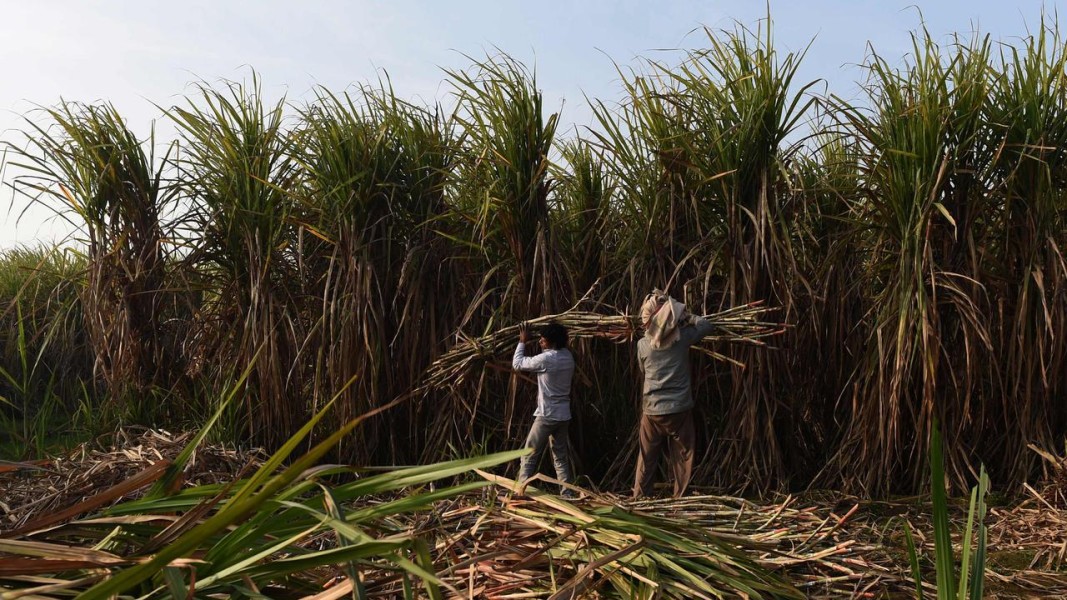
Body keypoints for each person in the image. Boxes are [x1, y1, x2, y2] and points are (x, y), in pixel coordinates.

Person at [633, 290, 714, 498]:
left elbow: (643, 371)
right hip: (679, 409)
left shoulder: (642, 345)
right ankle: (679, 498)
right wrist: (687, 317)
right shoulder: (682, 338)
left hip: (652, 409)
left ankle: (640, 497)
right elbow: (706, 325)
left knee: (646, 456)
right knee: (683, 454)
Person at [512, 321, 576, 496]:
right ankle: (567, 494)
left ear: (552, 342)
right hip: (563, 416)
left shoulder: (547, 359)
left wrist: (522, 342)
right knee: (560, 457)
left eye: (543, 339)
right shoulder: (567, 357)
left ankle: (520, 491)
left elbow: (517, 364)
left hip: (547, 415)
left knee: (528, 454)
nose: (540, 341)